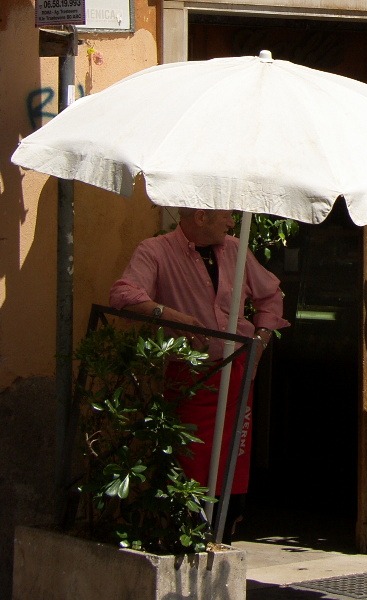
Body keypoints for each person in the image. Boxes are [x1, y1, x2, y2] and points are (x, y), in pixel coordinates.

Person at [109, 208, 289, 539]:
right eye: (226, 216)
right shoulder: (156, 250)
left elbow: (271, 295)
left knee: (232, 457)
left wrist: (260, 343)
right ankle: (189, 532)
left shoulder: (235, 249)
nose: (232, 222)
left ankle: (225, 533)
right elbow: (123, 294)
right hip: (191, 374)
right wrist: (170, 315)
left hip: (236, 369)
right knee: (191, 460)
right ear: (201, 217)